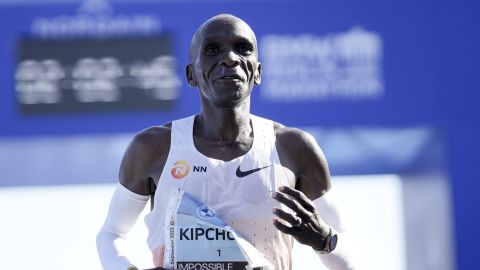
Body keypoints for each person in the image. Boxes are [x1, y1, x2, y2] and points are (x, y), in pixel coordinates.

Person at [96, 14, 356, 270]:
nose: (231, 58)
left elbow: (348, 257)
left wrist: (324, 240)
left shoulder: (294, 149)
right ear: (191, 75)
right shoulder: (153, 148)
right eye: (212, 50)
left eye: (243, 49)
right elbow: (111, 234)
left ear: (258, 72)